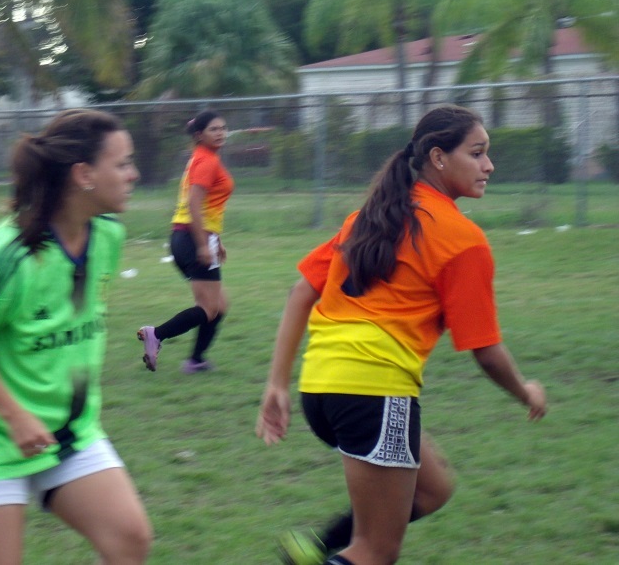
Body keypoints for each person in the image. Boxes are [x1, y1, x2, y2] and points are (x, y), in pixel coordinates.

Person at [256, 104, 547, 565]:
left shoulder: (369, 217)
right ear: (437, 157)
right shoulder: (461, 239)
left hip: (321, 390)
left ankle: (315, 548)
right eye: (477, 153)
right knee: (376, 552)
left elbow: (300, 292)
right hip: (374, 393)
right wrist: (526, 391)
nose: (489, 165)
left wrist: (276, 383)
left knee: (433, 489)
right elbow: (486, 352)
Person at [0, 109, 152, 565]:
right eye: (123, 163)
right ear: (84, 175)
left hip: (68, 434)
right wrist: (15, 417)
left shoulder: (107, 235)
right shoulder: (9, 253)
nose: (134, 174)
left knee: (130, 540)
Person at [137, 110, 235, 374]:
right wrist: (203, 244)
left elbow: (206, 206)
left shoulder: (204, 158)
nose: (221, 133)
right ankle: (156, 334)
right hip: (193, 239)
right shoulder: (207, 161)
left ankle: (196, 359)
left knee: (219, 305)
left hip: (190, 237)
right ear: (199, 135)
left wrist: (216, 240)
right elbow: (194, 202)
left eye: (223, 128)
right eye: (214, 129)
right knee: (209, 308)